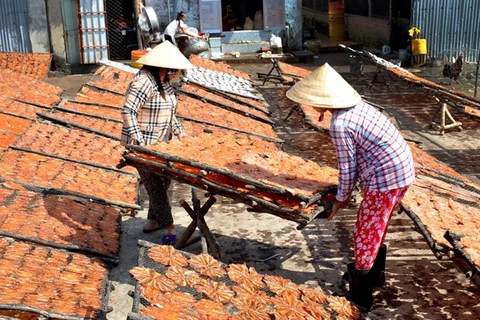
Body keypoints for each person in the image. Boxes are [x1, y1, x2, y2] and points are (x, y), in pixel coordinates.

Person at [286, 63, 416, 313]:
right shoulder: (359, 107)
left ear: (323, 101)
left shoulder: (340, 125)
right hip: (402, 171)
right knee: (378, 225)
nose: (311, 106)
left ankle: (361, 296)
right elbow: (355, 163)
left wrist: (341, 200)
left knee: (366, 232)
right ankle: (373, 275)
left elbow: (347, 168)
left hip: (385, 178)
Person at [121, 41, 195, 236]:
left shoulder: (164, 81)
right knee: (155, 186)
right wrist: (139, 142)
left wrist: (179, 131)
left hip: (162, 144)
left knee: (164, 181)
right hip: (142, 146)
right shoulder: (143, 81)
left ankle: (153, 221)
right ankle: (168, 227)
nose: (177, 71)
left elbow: (170, 112)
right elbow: (128, 111)